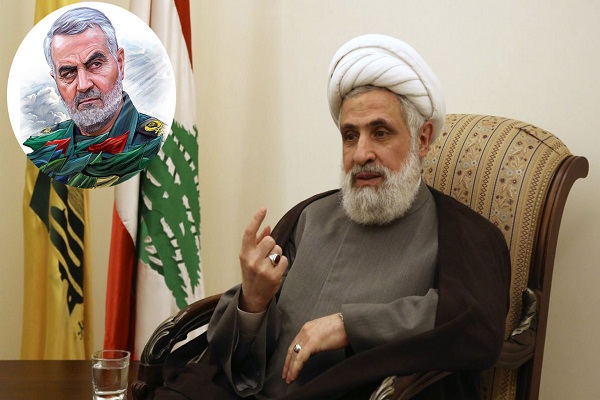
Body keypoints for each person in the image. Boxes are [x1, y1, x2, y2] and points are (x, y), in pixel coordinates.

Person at [154, 34, 511, 400]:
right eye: (350, 136)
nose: (361, 154)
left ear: (422, 139)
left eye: (380, 133)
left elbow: (473, 325)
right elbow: (233, 363)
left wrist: (348, 326)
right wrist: (252, 303)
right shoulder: (310, 217)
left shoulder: (461, 233)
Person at [23, 6, 164, 189]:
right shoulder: (43, 150)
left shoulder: (159, 144)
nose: (83, 85)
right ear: (56, 80)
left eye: (96, 64)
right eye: (68, 73)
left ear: (120, 63)